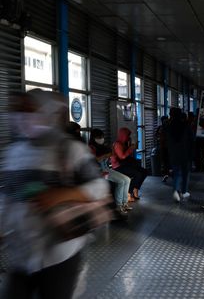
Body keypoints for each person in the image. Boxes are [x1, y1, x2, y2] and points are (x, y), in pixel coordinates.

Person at [0, 89, 110, 298]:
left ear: (45, 111)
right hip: (21, 253)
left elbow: (100, 187)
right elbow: (6, 197)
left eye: (29, 110)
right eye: (18, 110)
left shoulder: (69, 149)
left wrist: (63, 194)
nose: (22, 116)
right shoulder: (12, 153)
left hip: (60, 251)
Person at [89, 128, 132, 215]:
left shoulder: (102, 146)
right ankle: (119, 205)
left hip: (107, 169)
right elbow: (93, 160)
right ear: (93, 137)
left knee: (127, 179)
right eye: (99, 137)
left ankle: (124, 203)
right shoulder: (91, 147)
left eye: (102, 137)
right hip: (99, 172)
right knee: (121, 181)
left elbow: (109, 159)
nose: (101, 139)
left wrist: (110, 154)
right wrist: (105, 155)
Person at [111, 127, 147, 202]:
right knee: (138, 174)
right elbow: (122, 157)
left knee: (144, 171)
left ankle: (135, 188)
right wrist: (130, 148)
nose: (128, 137)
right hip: (118, 167)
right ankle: (128, 193)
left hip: (125, 165)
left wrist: (130, 147)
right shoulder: (117, 144)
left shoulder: (123, 144)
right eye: (127, 136)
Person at [166, 108, 194, 202]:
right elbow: (192, 139)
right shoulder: (186, 125)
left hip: (173, 153)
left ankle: (175, 190)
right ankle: (184, 191)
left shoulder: (169, 126)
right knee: (185, 173)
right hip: (185, 153)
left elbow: (167, 141)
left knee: (176, 173)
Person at [155, 116, 170, 181]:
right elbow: (156, 135)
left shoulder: (167, 128)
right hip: (164, 147)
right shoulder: (161, 128)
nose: (165, 122)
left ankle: (166, 173)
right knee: (164, 160)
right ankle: (166, 173)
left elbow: (156, 135)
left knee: (165, 160)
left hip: (166, 147)